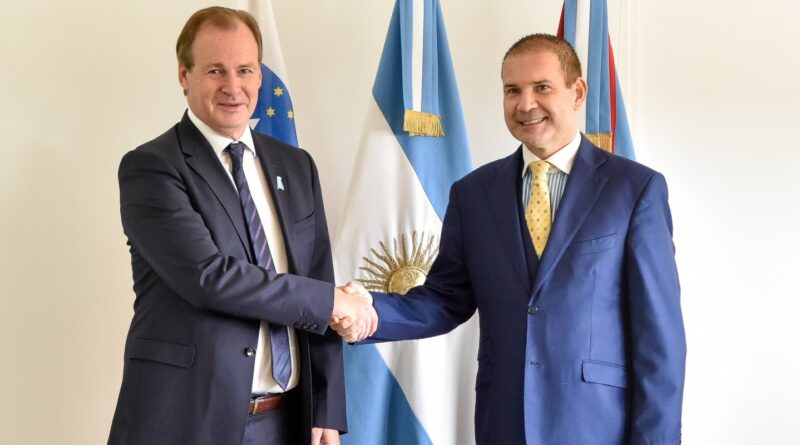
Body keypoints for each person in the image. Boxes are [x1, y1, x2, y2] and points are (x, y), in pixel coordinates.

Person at [335, 34, 686, 445]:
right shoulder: (472, 194)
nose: (525, 104)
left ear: (577, 92)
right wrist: (368, 310)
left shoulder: (635, 189)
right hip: (503, 423)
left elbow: (659, 337)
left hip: (598, 427)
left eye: (542, 87)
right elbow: (445, 300)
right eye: (512, 90)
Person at [108, 7, 374, 445]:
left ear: (260, 76)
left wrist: (326, 407)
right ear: (184, 75)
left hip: (285, 422)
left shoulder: (296, 166)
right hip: (187, 420)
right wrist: (333, 302)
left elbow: (316, 277)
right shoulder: (152, 168)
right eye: (215, 70)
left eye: (245, 70)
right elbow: (210, 277)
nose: (233, 87)